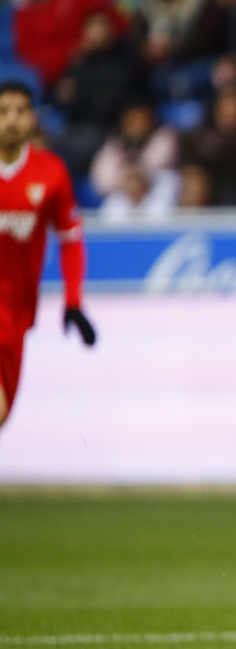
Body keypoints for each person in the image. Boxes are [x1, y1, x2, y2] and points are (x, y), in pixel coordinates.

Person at [0, 82, 96, 430]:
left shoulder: (50, 173)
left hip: (18, 310)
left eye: (20, 111)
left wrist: (72, 301)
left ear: (33, 118)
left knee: (2, 413)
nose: (11, 120)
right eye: (3, 111)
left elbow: (70, 238)